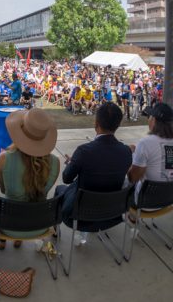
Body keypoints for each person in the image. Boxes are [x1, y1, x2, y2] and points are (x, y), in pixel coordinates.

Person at [55, 102, 132, 242]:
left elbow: (66, 178)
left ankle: (55, 231)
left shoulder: (84, 151)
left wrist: (73, 163)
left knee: (59, 189)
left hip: (79, 214)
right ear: (118, 125)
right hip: (112, 212)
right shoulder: (126, 152)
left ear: (96, 123)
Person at [0, 108, 60, 249]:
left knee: (8, 201)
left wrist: (5, 158)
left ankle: (3, 240)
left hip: (10, 225)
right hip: (39, 225)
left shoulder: (3, 159)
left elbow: (3, 189)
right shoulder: (56, 162)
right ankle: (18, 240)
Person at [128, 103, 173, 202]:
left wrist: (129, 157)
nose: (148, 119)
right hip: (168, 200)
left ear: (154, 120)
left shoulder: (145, 143)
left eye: (149, 117)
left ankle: (131, 216)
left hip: (146, 202)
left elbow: (133, 178)